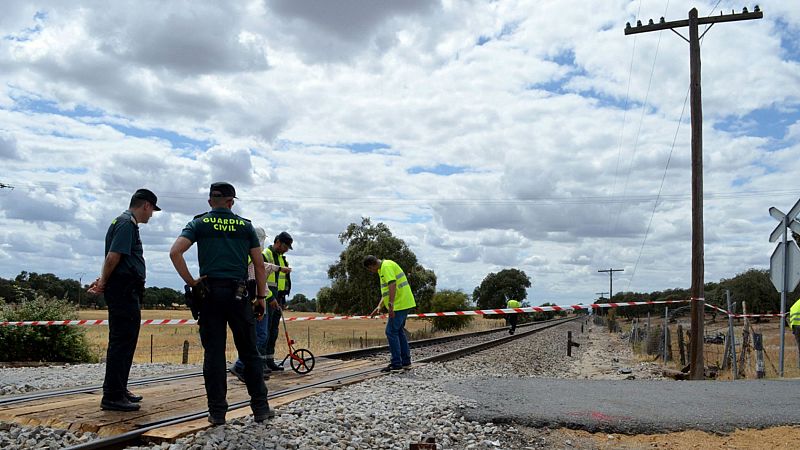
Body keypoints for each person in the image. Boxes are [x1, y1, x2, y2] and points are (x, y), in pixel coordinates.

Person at [169, 182, 273, 425]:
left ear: (210, 202)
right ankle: (260, 408)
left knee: (213, 355)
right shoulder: (245, 226)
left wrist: (193, 282)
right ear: (231, 202)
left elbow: (175, 252)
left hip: (209, 295)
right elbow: (258, 265)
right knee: (250, 353)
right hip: (239, 295)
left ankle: (217, 413)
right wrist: (260, 298)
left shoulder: (199, 223)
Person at [88, 189, 161, 412]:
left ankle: (119, 388)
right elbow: (113, 256)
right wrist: (103, 283)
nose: (151, 215)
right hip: (123, 290)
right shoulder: (126, 224)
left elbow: (114, 257)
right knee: (122, 341)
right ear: (146, 205)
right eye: (152, 210)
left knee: (125, 341)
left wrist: (103, 280)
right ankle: (112, 395)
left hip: (124, 288)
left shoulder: (123, 222)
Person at [230, 227, 290, 382]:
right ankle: (245, 365)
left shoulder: (247, 253)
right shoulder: (260, 253)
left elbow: (265, 268)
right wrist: (266, 298)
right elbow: (259, 274)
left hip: (263, 297)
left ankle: (253, 365)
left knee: (263, 334)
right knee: (260, 335)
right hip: (259, 298)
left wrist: (280, 269)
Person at [363, 255, 416, 372]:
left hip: (399, 304)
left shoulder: (386, 267)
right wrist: (379, 306)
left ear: (371, 265)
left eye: (370, 269)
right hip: (404, 303)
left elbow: (392, 285)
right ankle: (406, 362)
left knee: (391, 332)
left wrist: (391, 306)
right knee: (399, 331)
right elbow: (386, 291)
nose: (371, 271)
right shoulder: (384, 267)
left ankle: (396, 364)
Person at [262, 231, 293, 371]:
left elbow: (282, 281)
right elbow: (261, 279)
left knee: (273, 331)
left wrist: (283, 298)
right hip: (268, 298)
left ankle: (269, 361)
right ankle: (261, 363)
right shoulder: (266, 255)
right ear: (278, 242)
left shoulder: (281, 258)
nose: (287, 249)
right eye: (285, 246)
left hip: (278, 299)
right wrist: (270, 298)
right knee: (264, 332)